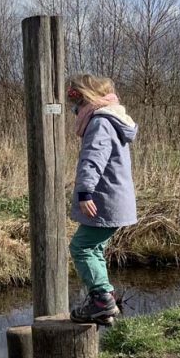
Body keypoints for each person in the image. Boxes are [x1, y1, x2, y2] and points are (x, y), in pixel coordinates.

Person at [66, 74, 138, 324]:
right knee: (94, 248)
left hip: (103, 200)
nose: (74, 111)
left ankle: (101, 300)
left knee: (81, 247)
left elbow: (93, 159)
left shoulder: (100, 122)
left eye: (75, 105)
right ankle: (102, 300)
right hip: (113, 200)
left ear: (86, 99)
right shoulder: (112, 119)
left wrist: (85, 191)